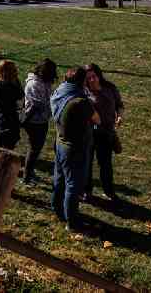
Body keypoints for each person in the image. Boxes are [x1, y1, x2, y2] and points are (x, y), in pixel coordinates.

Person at [50, 68, 98, 232]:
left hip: (60, 141)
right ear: (81, 81)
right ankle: (72, 221)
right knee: (73, 185)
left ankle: (57, 209)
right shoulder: (80, 101)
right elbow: (96, 118)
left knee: (59, 178)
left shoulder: (59, 91)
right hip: (75, 147)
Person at [83, 64, 125, 203]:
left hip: (106, 133)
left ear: (99, 75)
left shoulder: (110, 88)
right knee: (87, 163)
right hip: (90, 133)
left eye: (94, 76)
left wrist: (119, 116)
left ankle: (109, 191)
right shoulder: (84, 93)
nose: (92, 80)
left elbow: (119, 104)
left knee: (105, 164)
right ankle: (86, 191)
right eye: (88, 78)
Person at [22, 58, 58, 184]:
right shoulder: (33, 84)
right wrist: (53, 105)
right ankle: (27, 176)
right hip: (34, 122)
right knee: (34, 149)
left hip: (42, 120)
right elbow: (39, 104)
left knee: (36, 148)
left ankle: (29, 171)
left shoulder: (44, 82)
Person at [0, 60, 24, 149]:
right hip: (3, 119)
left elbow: (20, 95)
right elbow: (6, 101)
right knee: (3, 146)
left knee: (7, 145)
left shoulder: (14, 80)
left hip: (9, 118)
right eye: (13, 70)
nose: (16, 71)